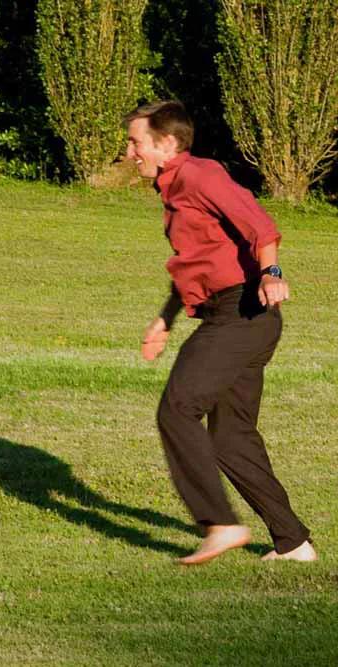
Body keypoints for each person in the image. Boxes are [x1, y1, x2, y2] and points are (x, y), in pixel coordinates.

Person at [126, 100, 316, 565]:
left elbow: (260, 226)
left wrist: (272, 271)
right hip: (235, 316)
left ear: (166, 144)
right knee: (231, 438)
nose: (130, 152)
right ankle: (293, 544)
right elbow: (196, 262)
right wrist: (165, 318)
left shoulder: (200, 175)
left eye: (135, 142)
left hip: (243, 311)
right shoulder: (173, 190)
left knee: (177, 408)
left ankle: (220, 523)